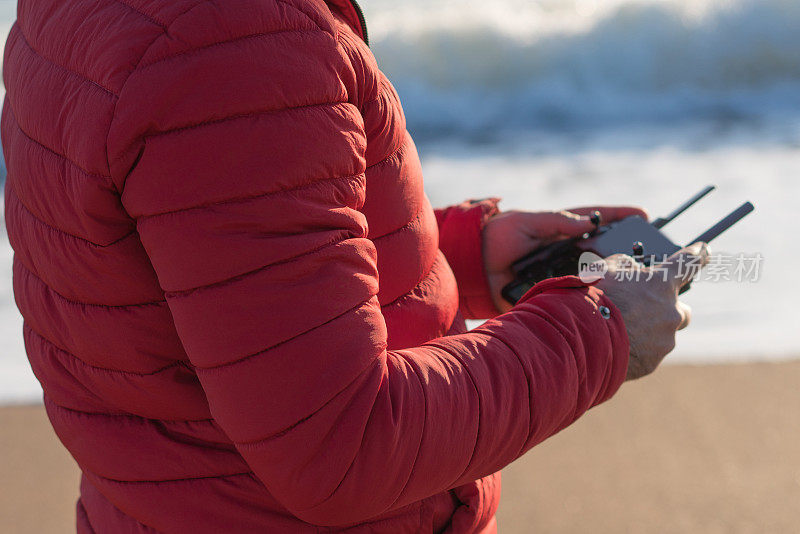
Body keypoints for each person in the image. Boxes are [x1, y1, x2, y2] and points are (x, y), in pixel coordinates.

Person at [1, 0, 708, 531]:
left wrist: (454, 259)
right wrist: (598, 329)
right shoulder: (231, 47)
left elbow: (178, 284)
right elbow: (342, 448)